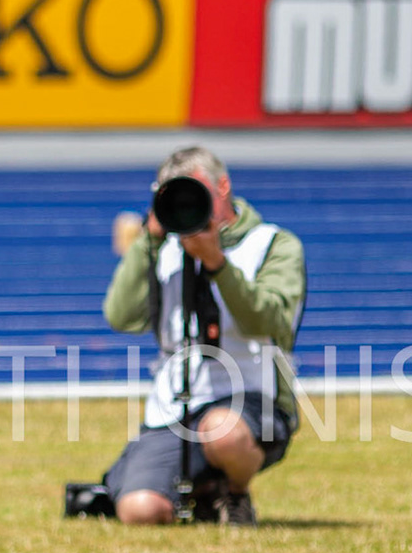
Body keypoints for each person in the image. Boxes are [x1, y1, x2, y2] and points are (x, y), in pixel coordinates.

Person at [101, 146, 306, 527]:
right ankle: (204, 491)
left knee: (222, 433)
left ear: (223, 186)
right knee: (139, 510)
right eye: (172, 194)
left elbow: (269, 320)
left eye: (193, 190)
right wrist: (148, 241)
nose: (185, 203)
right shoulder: (161, 249)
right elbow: (121, 316)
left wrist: (217, 263)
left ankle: (236, 494)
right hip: (175, 407)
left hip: (250, 400)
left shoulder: (273, 244)